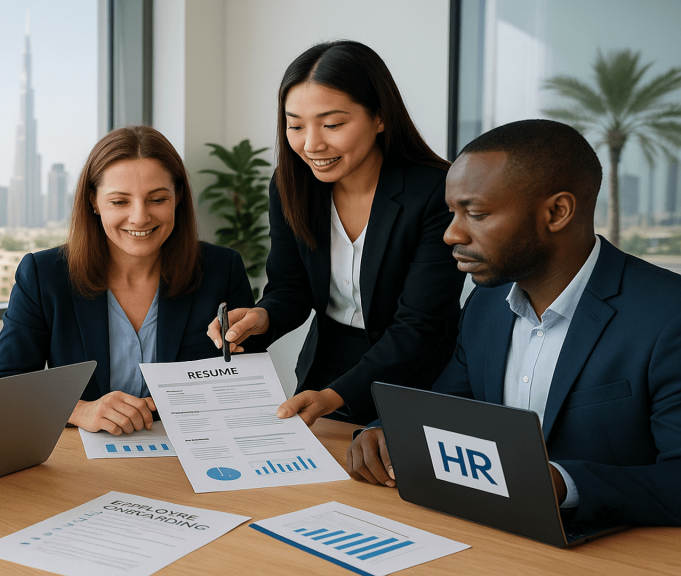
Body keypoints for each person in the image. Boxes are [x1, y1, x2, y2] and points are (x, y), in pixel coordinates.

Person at [347, 119, 681, 527]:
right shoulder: (486, 304)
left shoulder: (668, 316)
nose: (451, 235)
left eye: (477, 214)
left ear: (557, 212)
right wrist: (388, 433)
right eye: (453, 213)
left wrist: (561, 483)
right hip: (491, 539)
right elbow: (453, 405)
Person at [208, 40, 464, 426]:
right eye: (295, 125)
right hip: (324, 370)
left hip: (418, 377)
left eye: (332, 124)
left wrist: (336, 395)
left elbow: (420, 325)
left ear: (379, 117)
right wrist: (262, 317)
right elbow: (290, 288)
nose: (312, 145)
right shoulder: (291, 185)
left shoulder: (434, 192)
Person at [0, 126, 259, 435]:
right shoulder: (43, 274)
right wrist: (80, 410)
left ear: (178, 198)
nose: (140, 217)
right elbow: (1, 388)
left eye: (157, 199)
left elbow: (245, 382)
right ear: (93, 201)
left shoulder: (222, 269)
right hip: (85, 462)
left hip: (200, 449)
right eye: (119, 202)